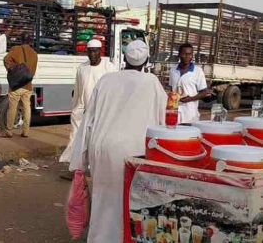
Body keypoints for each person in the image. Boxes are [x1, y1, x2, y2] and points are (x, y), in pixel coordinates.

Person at [69, 40, 167, 243]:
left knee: (103, 199)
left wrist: (80, 160)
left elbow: (88, 120)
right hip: (136, 151)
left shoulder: (107, 80)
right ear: (146, 60)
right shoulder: (152, 83)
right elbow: (163, 120)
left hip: (103, 148)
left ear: (124, 59)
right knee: (132, 203)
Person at [59, 39, 115, 163]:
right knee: (75, 138)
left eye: (94, 51)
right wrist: (75, 108)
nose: (92, 54)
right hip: (82, 110)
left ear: (100, 52)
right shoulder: (82, 68)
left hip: (100, 112)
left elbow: (114, 92)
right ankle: (73, 164)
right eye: (89, 52)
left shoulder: (109, 68)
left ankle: (92, 165)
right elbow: (78, 90)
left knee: (95, 141)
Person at [1, 33, 38, 138]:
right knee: (27, 108)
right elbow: (33, 71)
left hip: (16, 85)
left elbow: (6, 60)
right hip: (27, 85)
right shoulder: (34, 54)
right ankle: (25, 132)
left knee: (12, 107)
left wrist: (12, 69)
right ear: (30, 41)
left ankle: (9, 131)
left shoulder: (15, 49)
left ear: (21, 40)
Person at [169, 43, 209, 124]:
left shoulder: (198, 71)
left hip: (190, 115)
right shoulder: (173, 70)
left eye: (190, 54)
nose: (188, 56)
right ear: (179, 55)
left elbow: (204, 92)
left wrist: (190, 99)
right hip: (174, 113)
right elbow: (171, 89)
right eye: (185, 54)